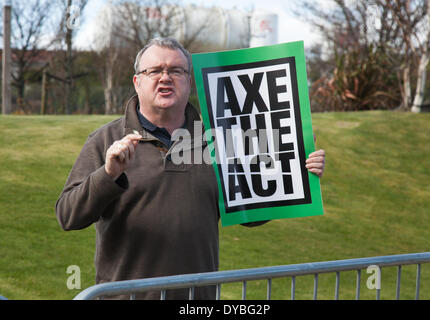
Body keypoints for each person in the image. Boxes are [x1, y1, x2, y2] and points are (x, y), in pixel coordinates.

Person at [55, 38, 326, 300]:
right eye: (154, 71)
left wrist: (297, 172)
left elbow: (249, 214)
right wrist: (109, 174)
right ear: (137, 82)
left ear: (189, 80)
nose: (165, 77)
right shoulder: (105, 140)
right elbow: (68, 216)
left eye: (176, 70)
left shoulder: (220, 139)